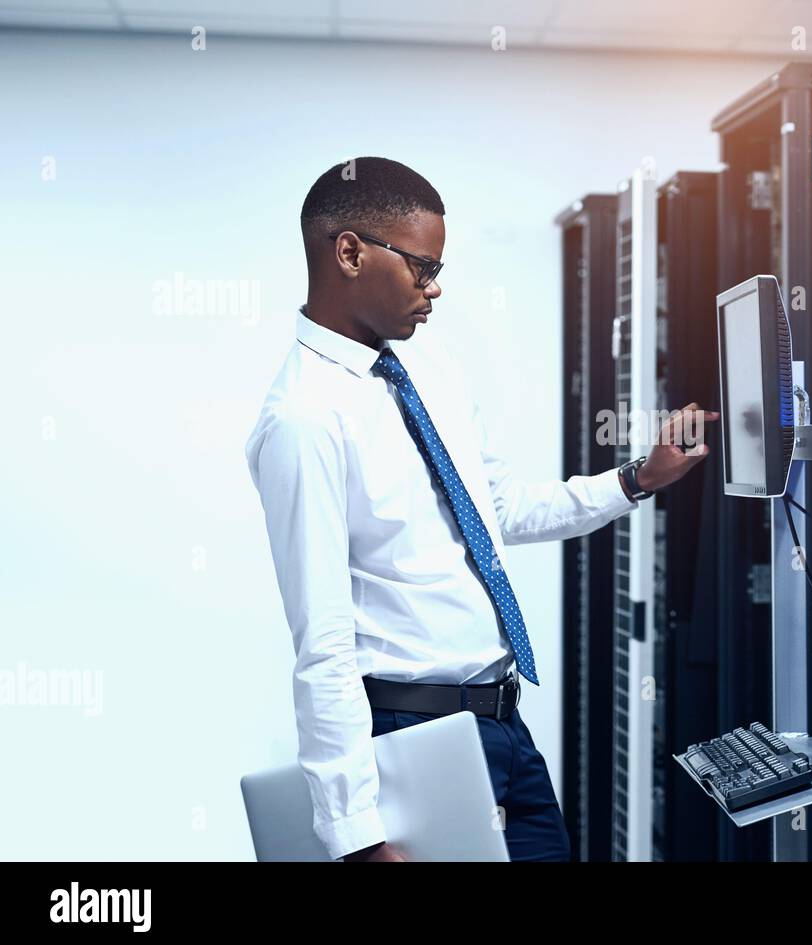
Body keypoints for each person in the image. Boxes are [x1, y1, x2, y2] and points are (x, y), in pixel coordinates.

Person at [245, 156, 717, 861]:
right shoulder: (303, 420)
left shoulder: (429, 368)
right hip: (406, 739)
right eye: (420, 268)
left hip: (500, 726)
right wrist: (357, 835)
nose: (434, 290)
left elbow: (498, 511)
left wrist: (636, 479)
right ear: (349, 252)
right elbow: (323, 639)